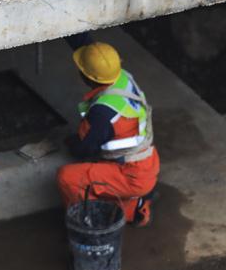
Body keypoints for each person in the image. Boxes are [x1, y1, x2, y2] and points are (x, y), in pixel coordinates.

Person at [57, 41, 159, 227]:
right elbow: (98, 55)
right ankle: (137, 202)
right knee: (97, 165)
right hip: (147, 162)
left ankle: (93, 221)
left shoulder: (103, 112)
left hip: (130, 175)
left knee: (68, 177)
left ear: (88, 78)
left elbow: (84, 149)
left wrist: (72, 142)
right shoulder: (123, 77)